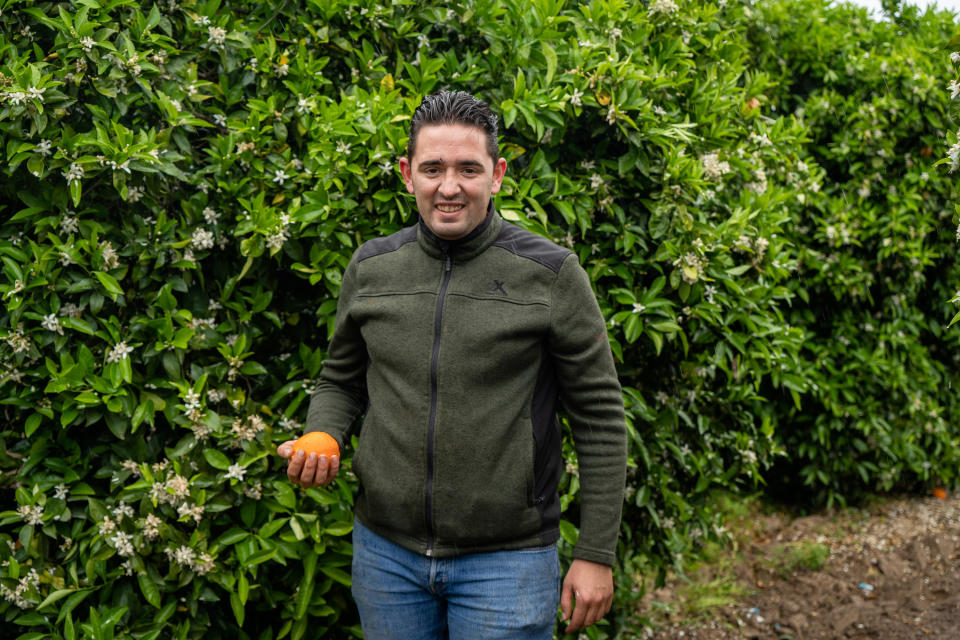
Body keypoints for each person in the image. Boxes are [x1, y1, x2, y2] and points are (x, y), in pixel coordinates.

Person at [278, 90, 627, 639]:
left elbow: (600, 417)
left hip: (507, 562)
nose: (449, 187)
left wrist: (596, 552)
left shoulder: (550, 274)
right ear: (406, 174)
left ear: (498, 174)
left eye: (468, 168)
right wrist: (322, 432)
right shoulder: (373, 267)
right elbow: (342, 377)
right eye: (432, 168)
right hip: (386, 555)